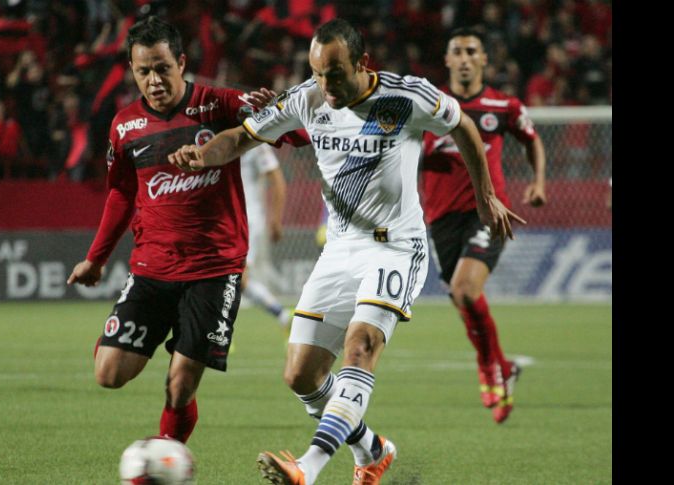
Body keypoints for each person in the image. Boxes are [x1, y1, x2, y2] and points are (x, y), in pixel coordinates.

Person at [169, 18, 524, 485]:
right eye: (317, 73)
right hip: (340, 249)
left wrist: (485, 195)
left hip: (396, 247)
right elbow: (241, 137)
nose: (325, 85)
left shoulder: (406, 95)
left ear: (362, 63)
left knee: (360, 347)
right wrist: (202, 153)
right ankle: (372, 450)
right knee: (300, 375)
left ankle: (308, 468)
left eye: (334, 73)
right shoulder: (308, 98)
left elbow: (464, 127)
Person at [66, 16, 301, 446]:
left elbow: (296, 133)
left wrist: (279, 112)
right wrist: (95, 259)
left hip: (214, 271)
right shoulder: (124, 127)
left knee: (179, 385)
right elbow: (120, 194)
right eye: (143, 71)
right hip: (152, 270)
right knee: (108, 373)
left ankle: (166, 459)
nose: (153, 80)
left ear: (181, 63)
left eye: (162, 68)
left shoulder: (219, 103)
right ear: (132, 72)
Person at [420, 27, 547, 424]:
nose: (463, 58)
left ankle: (490, 367)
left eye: (471, 51)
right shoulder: (430, 104)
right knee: (463, 300)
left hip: (488, 210)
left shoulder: (503, 104)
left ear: (483, 59)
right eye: (456, 51)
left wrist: (538, 181)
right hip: (440, 216)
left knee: (465, 289)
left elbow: (532, 139)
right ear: (446, 60)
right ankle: (501, 367)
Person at [240, 143, 293, 331]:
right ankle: (282, 314)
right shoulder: (213, 134)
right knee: (233, 279)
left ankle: (282, 314)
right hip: (221, 219)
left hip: (247, 219)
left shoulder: (255, 142)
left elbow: (277, 179)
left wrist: (276, 220)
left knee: (238, 278)